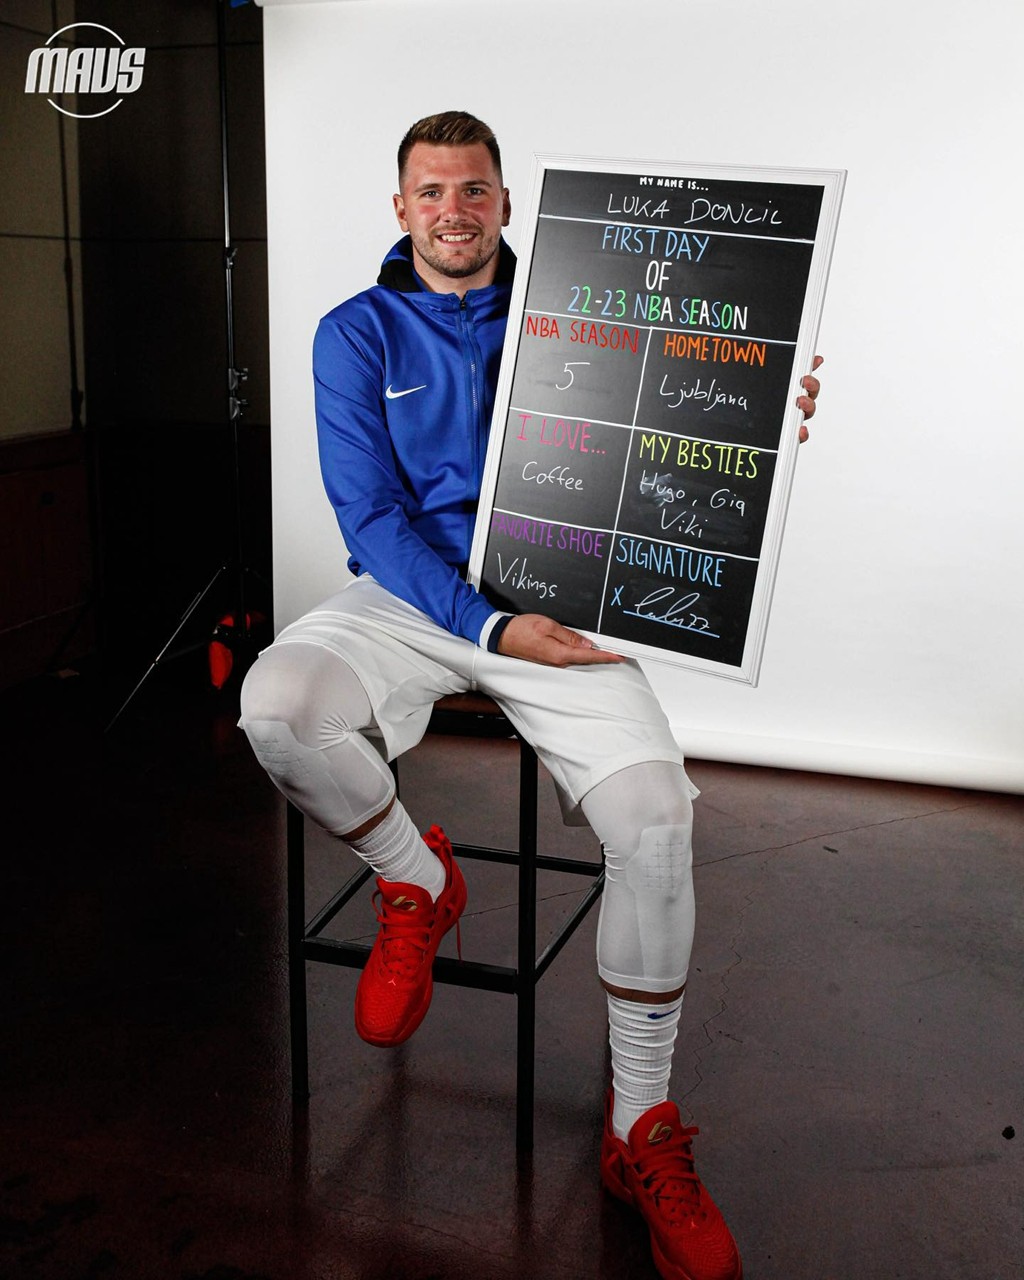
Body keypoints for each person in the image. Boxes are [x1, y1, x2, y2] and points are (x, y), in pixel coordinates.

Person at [239, 110, 821, 1280]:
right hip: (414, 595)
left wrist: (766, 409)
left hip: (560, 592)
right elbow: (368, 515)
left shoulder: (585, 308)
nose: (453, 209)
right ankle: (416, 878)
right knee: (278, 706)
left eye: (474, 189)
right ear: (400, 208)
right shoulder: (353, 332)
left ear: (506, 202)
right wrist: (484, 625)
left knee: (653, 820)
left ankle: (637, 1125)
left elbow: (673, 439)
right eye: (431, 191)